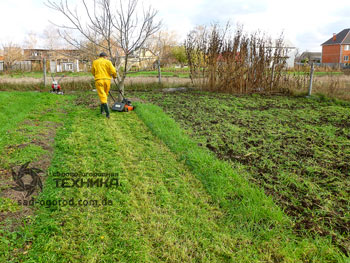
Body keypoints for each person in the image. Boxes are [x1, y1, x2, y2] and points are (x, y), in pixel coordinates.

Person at [91, 52, 117, 118]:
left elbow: (92, 71)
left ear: (100, 56)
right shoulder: (108, 62)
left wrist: (96, 76)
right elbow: (113, 71)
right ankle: (102, 111)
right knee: (105, 95)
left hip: (99, 80)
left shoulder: (95, 62)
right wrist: (114, 76)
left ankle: (107, 114)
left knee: (102, 95)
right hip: (107, 80)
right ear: (105, 56)